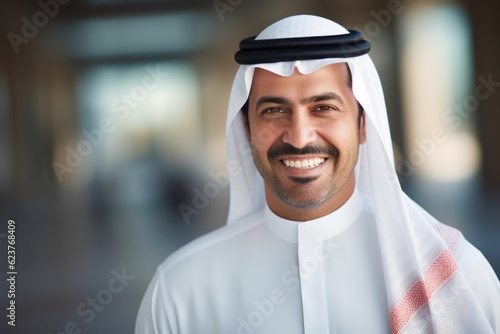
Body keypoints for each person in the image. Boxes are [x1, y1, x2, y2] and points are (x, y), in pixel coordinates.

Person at [135, 15, 500, 334]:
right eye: (274, 110)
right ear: (246, 130)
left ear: (361, 124)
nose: (299, 136)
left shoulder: (454, 276)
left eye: (323, 107)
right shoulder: (180, 290)